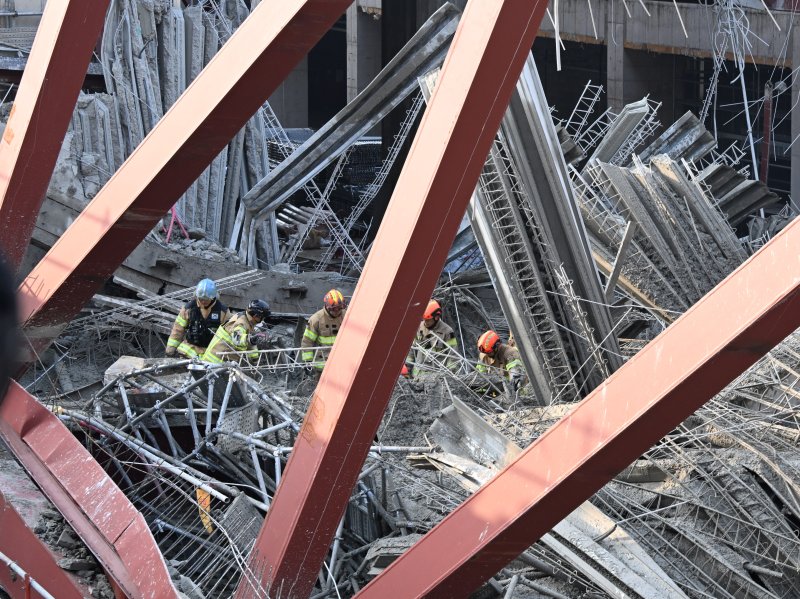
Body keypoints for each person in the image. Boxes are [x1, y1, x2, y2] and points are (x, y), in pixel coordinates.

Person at [166, 279, 230, 359]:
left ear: (213, 297)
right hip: (190, 349)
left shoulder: (223, 312)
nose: (203, 301)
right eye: (201, 298)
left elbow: (228, 335)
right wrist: (170, 351)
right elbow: (178, 330)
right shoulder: (188, 309)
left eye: (206, 299)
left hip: (212, 352)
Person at [201, 299, 270, 364]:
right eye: (262, 317)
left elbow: (249, 344)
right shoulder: (241, 323)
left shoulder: (247, 320)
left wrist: (255, 359)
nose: (262, 320)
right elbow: (237, 339)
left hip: (224, 360)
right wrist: (252, 339)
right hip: (215, 362)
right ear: (256, 316)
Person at [408, 300, 458, 377]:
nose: (425, 322)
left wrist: (449, 376)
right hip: (417, 376)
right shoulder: (419, 328)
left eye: (428, 320)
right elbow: (411, 350)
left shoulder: (447, 331)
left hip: (435, 378)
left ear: (436, 317)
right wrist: (407, 369)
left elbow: (453, 355)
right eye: (424, 320)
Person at [301, 289, 346, 373]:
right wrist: (308, 362)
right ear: (327, 307)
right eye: (334, 309)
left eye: (339, 309)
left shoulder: (346, 316)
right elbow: (307, 342)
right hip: (322, 365)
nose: (337, 312)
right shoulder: (316, 319)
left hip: (342, 362)